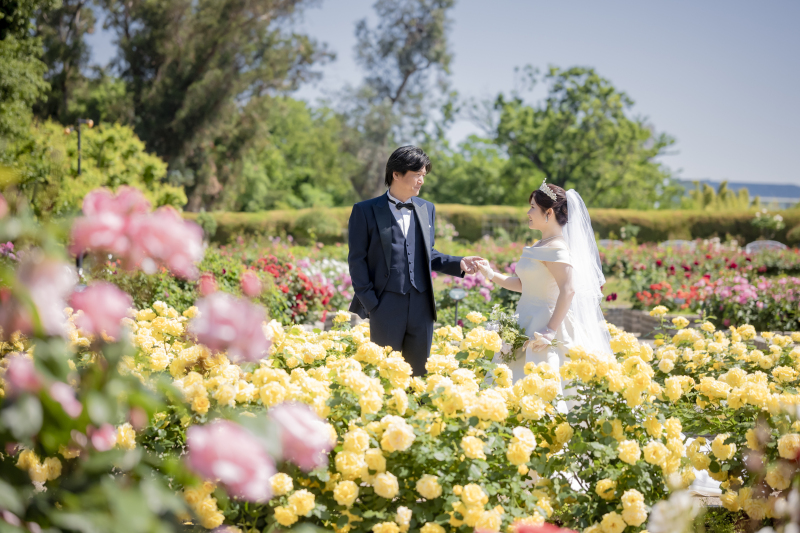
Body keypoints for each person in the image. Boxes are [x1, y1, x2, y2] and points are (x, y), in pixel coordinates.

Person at [347, 146, 483, 376]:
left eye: (424, 175)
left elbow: (427, 254)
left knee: (419, 375)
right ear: (396, 174)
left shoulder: (426, 208)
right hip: (384, 305)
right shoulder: (364, 211)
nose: (421, 181)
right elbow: (356, 261)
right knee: (386, 374)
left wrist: (458, 263)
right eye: (417, 175)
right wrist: (372, 304)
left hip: (422, 306)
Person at [477, 179, 612, 396]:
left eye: (533, 207)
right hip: (525, 318)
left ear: (548, 212)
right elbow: (525, 286)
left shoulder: (557, 248)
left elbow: (568, 289)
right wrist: (490, 274)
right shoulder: (540, 245)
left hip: (545, 323)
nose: (528, 212)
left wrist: (550, 330)